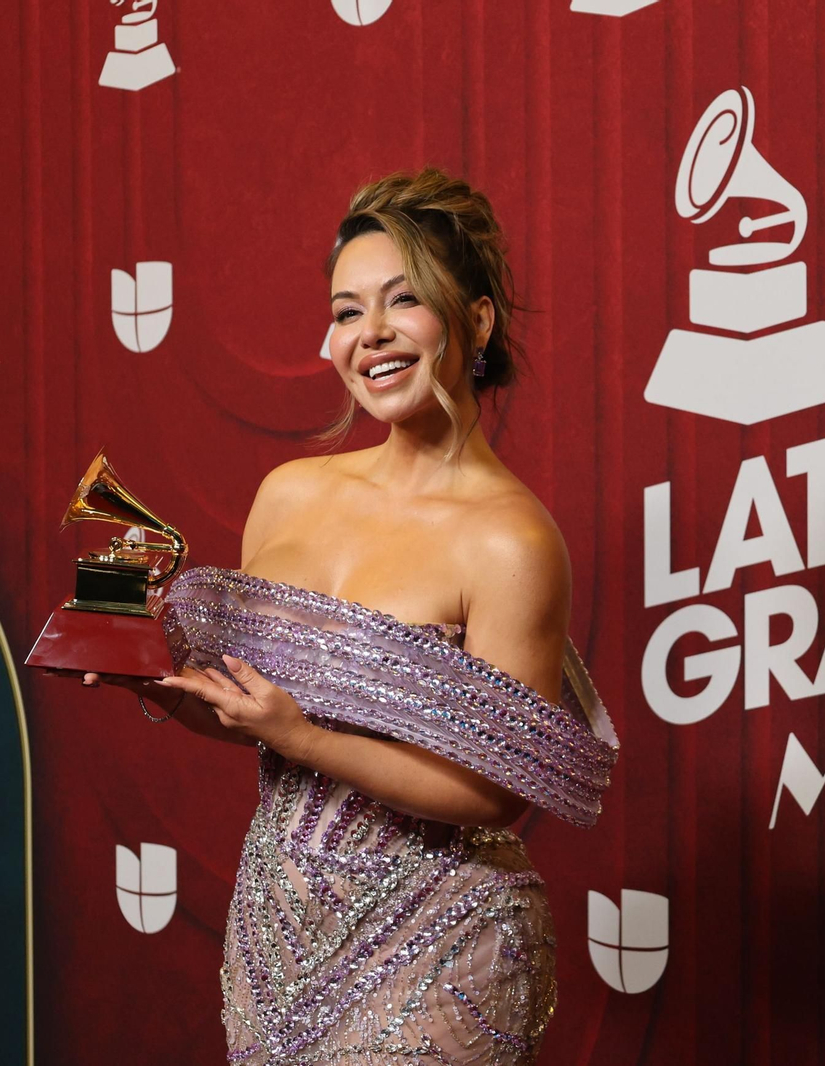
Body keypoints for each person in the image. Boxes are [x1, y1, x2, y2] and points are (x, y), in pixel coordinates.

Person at [81, 168, 618, 1064]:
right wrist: (160, 685)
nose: (370, 335)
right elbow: (257, 710)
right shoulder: (287, 496)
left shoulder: (513, 541)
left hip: (445, 929)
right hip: (278, 922)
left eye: (403, 301)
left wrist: (302, 737)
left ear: (476, 321)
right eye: (345, 311)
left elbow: (493, 794)